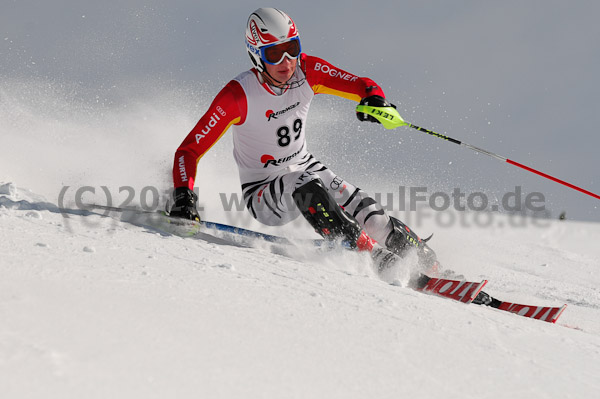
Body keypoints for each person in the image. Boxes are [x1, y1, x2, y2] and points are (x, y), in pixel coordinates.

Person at [170, 7, 437, 278]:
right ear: (256, 55)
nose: (287, 62)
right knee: (305, 184)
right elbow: (188, 150)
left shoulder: (306, 70)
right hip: (264, 191)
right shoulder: (238, 96)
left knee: (374, 217)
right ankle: (374, 257)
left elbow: (361, 84)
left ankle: (430, 265)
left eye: (292, 48)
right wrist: (183, 196)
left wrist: (373, 99)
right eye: (274, 53)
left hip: (307, 166)